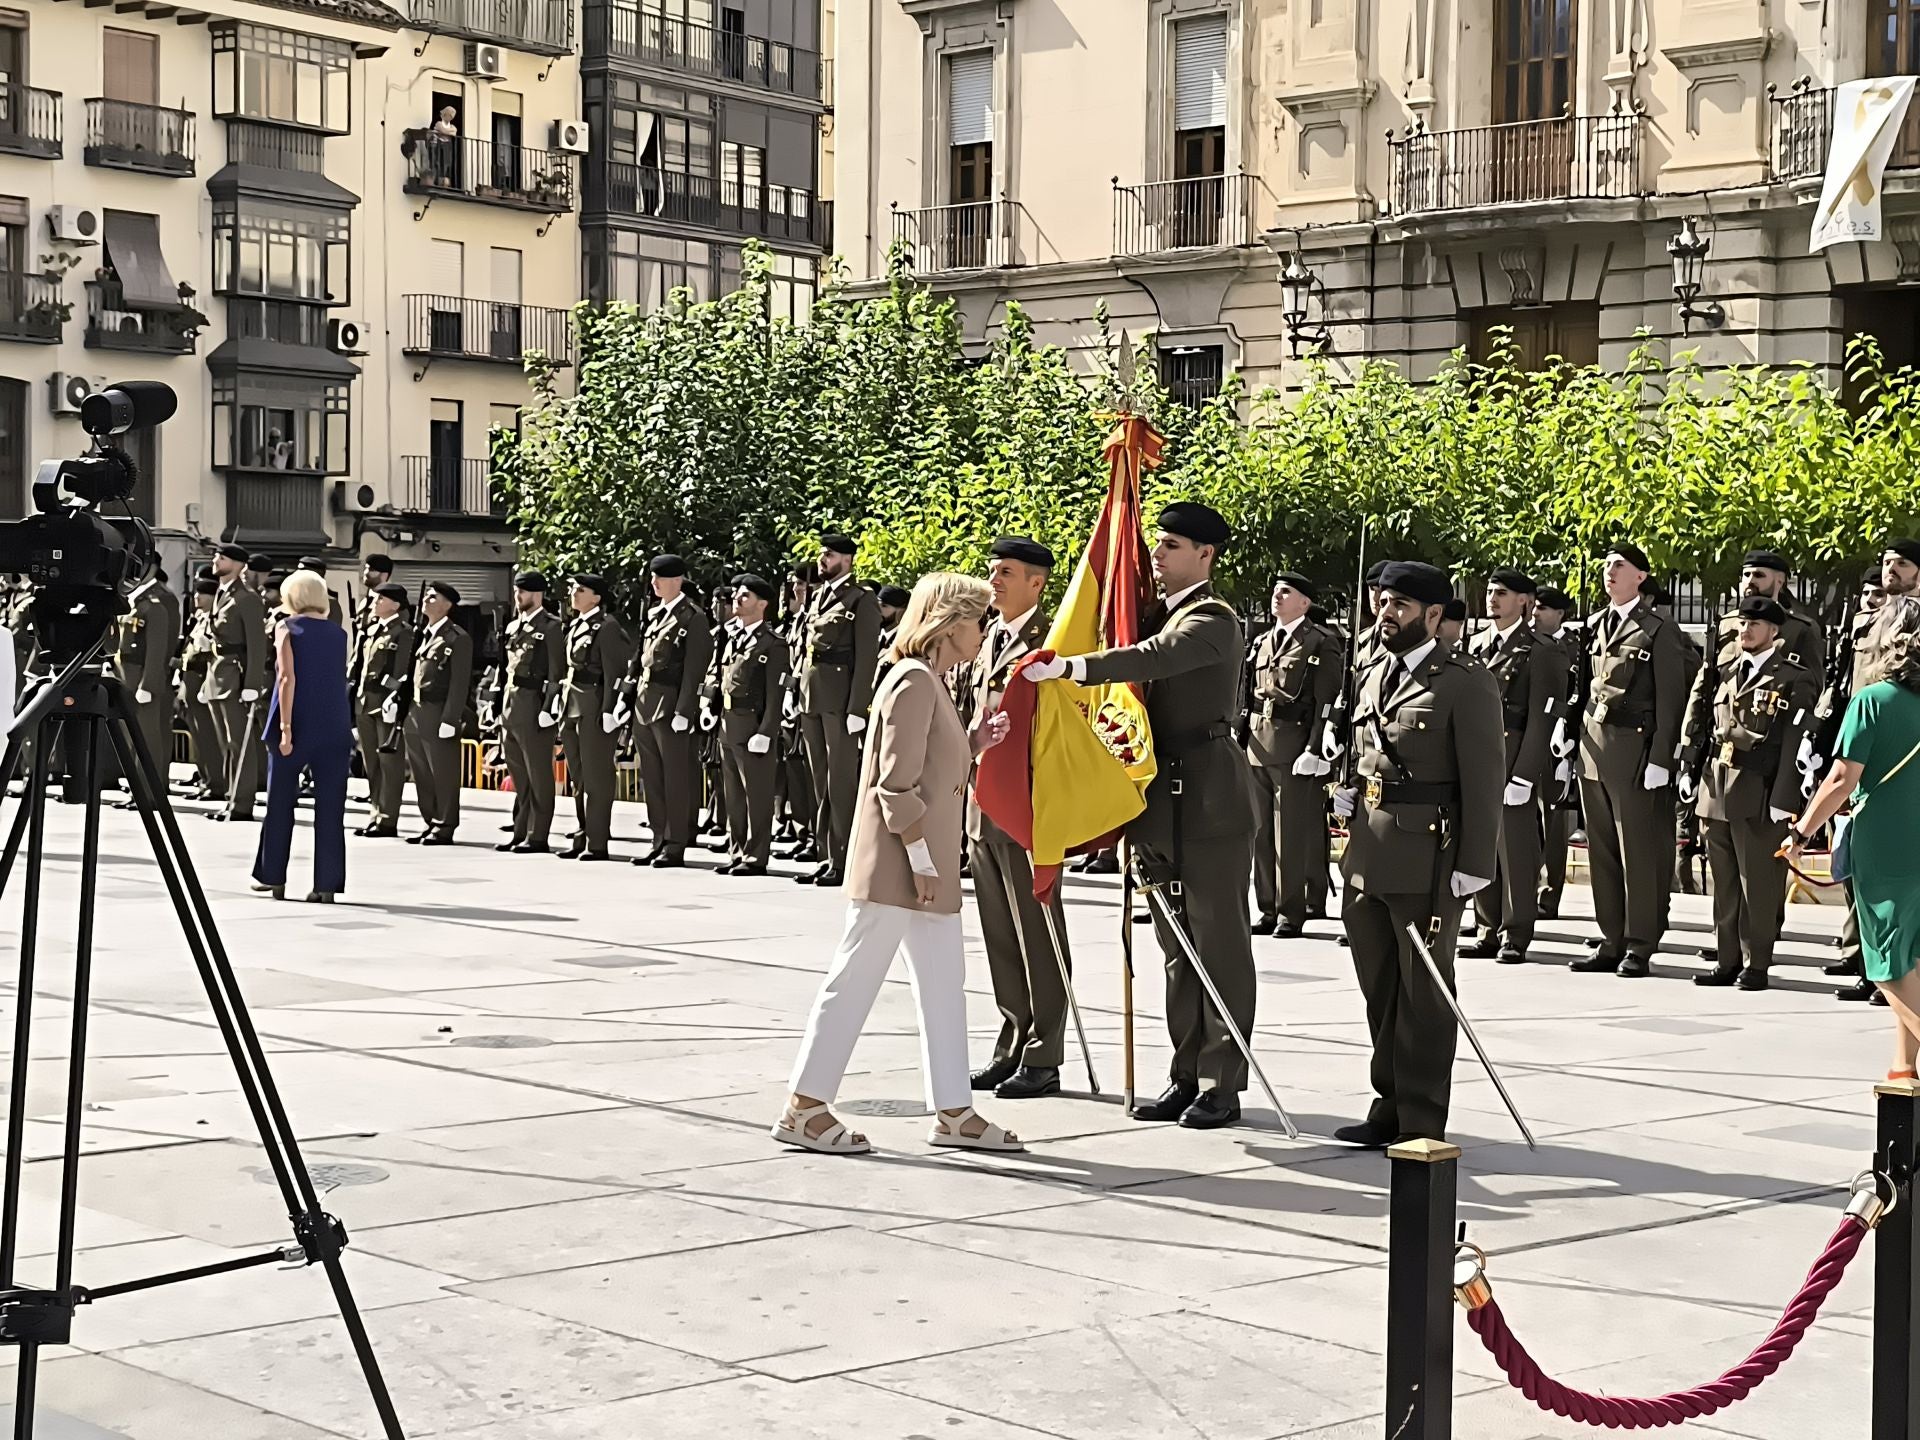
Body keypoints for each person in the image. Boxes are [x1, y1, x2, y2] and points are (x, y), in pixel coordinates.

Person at [1026, 502, 1256, 1130]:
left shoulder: (1212, 619)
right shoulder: (1156, 608)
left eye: (1173, 545)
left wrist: (1074, 668)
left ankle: (1221, 1081)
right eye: (1156, 543)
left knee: (1218, 944)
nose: (1158, 554)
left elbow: (1154, 658)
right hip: (1158, 799)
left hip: (1208, 797)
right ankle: (1186, 1074)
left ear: (1205, 556)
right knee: (1176, 948)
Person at [775, 573, 1020, 1156]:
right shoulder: (914, 679)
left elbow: (927, 764)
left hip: (919, 864)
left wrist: (974, 743)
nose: (983, 633)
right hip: (902, 864)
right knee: (855, 979)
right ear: (951, 622)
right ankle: (805, 1106)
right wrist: (921, 858)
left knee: (943, 986)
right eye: (978, 621)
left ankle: (954, 1109)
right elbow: (896, 783)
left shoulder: (924, 679)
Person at [1329, 561, 1505, 1147]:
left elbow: (1484, 781)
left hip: (1428, 857)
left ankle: (1422, 1119)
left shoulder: (1462, 680)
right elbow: (1364, 753)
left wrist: (1475, 864)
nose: (1386, 614)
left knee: (1424, 994)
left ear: (1433, 615)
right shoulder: (1371, 672)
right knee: (1379, 988)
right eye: (1381, 603)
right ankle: (1389, 1104)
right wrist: (1345, 790)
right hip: (1368, 855)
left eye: (1399, 606)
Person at [1788, 599, 1920, 1074]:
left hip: (1887, 838)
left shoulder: (1872, 701)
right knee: (1913, 956)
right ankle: (1904, 1069)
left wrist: (1802, 831)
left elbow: (1841, 779)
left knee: (1885, 960)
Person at [966, 537, 1074, 1100]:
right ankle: (1011, 1040)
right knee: (999, 935)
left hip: (1029, 809)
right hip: (982, 808)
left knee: (1038, 933)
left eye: (1006, 572)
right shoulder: (987, 641)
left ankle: (1044, 1054)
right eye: (993, 571)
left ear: (1037, 583)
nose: (995, 581)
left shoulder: (1050, 644)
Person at [1680, 595, 1817, 991]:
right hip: (1716, 786)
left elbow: (1797, 742)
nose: (1745, 630)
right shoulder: (1724, 669)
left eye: (1754, 624)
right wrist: (1690, 767)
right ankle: (1727, 959)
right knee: (1723, 883)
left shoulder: (1794, 678)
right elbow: (1703, 720)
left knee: (1757, 882)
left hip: (1759, 790)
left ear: (1774, 631)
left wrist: (1785, 799)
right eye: (1742, 623)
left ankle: (1756, 962)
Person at [1574, 542, 1691, 978]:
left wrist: (1662, 756)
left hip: (1635, 749)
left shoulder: (1659, 628)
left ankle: (1640, 942)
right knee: (1601, 849)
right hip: (1594, 749)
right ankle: (1611, 937)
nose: (1610, 571)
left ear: (1640, 576)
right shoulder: (1597, 624)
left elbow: (1670, 698)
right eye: (1607, 565)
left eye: (1619, 565)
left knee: (1638, 851)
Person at [1462, 569, 1566, 964]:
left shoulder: (1541, 650)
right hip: (1477, 759)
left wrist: (1524, 773)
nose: (1492, 599)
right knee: (1481, 845)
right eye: (1489, 592)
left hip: (1513, 756)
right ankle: (1487, 926)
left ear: (1524, 601)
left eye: (1502, 593)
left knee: (1516, 852)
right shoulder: (1477, 646)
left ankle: (1515, 932)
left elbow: (1544, 717)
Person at [1245, 571, 1341, 940]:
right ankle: (1267, 907)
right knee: (1261, 833)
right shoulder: (1262, 642)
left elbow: (1326, 702)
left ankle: (1291, 911)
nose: (1277, 597)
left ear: (1305, 603)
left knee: (1290, 834)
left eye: (1286, 592)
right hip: (1257, 743)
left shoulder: (1318, 642)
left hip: (1294, 745)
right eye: (1275, 592)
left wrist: (1315, 747)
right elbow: (1248, 695)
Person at [250, 571, 352, 902]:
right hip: (334, 724)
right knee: (331, 807)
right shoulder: (338, 633)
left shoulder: (287, 627)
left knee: (280, 802)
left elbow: (286, 678)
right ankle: (327, 884)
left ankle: (273, 875)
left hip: (297, 722)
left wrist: (285, 728)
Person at [796, 533, 883, 887]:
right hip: (813, 698)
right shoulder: (820, 596)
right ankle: (826, 853)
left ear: (846, 560)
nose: (822, 560)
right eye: (822, 554)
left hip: (841, 701)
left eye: (828, 555)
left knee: (841, 782)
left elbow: (866, 657)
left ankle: (845, 858)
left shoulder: (862, 600)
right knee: (820, 781)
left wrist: (858, 705)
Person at [626, 554, 713, 868]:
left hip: (670, 702)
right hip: (646, 703)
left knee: (675, 778)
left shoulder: (693, 617)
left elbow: (694, 668)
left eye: (659, 578)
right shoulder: (654, 615)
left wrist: (684, 709)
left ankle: (675, 844)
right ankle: (658, 838)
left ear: (677, 580)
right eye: (652, 578)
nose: (654, 583)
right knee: (652, 777)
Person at [716, 573, 789, 875]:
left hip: (752, 722)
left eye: (744, 595)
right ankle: (738, 850)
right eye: (736, 594)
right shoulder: (734, 637)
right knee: (733, 793)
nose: (737, 599)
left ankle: (756, 856)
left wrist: (767, 731)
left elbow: (776, 693)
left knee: (756, 794)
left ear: (762, 604)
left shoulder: (773, 644)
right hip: (728, 721)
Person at [559, 574, 632, 861]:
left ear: (597, 598)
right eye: (573, 589)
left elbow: (615, 672)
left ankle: (597, 840)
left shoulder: (608, 627)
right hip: (572, 704)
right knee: (578, 777)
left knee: (597, 777)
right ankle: (582, 831)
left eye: (581, 590)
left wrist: (610, 710)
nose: (574, 594)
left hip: (593, 704)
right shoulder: (577, 624)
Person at [496, 572, 565, 853]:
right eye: (516, 591)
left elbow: (556, 672)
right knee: (519, 773)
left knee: (538, 774)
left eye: (522, 592)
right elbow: (506, 671)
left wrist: (550, 707)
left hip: (534, 704)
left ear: (536, 594)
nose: (517, 597)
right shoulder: (514, 626)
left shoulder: (551, 627)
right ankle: (520, 829)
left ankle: (538, 835)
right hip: (511, 705)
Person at [403, 581, 473, 845]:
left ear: (447, 605)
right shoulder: (425, 634)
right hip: (417, 710)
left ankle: (445, 824)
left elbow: (459, 683)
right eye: (427, 596)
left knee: (442, 772)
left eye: (433, 598)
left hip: (438, 709)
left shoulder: (457, 638)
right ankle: (430, 820)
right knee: (421, 771)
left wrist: (450, 718)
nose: (426, 601)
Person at [204, 543, 267, 823]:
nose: (216, 560)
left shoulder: (247, 598)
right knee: (225, 743)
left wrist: (252, 683)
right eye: (217, 556)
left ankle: (242, 803)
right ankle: (231, 798)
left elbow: (256, 645)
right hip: (218, 673)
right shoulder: (222, 593)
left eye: (223, 557)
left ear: (240, 565)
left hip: (236, 675)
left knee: (239, 742)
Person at [1532, 585, 1578, 920]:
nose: (1535, 614)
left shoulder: (1574, 647)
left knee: (1553, 823)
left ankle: (1549, 894)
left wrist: (1567, 754)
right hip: (1527, 742)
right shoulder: (1529, 645)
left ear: (1560, 613)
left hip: (1556, 745)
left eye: (1542, 609)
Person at [355, 583, 413, 838]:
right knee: (372, 762)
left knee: (389, 762)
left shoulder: (404, 633)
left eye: (381, 599)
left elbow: (401, 672)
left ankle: (388, 818)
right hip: (365, 700)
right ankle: (375, 813)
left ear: (395, 605)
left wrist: (392, 696)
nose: (375, 603)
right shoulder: (371, 630)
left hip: (384, 702)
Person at [114, 559, 180, 778]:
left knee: (148, 734)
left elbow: (162, 644)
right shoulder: (133, 597)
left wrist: (150, 682)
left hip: (144, 671)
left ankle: (150, 790)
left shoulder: (159, 600)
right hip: (126, 672)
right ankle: (137, 786)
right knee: (133, 732)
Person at [179, 575, 224, 801]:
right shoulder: (198, 619)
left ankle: (216, 783)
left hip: (202, 679)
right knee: (198, 736)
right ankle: (206, 779)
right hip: (190, 680)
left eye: (202, 593)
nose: (197, 597)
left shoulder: (212, 620)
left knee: (208, 735)